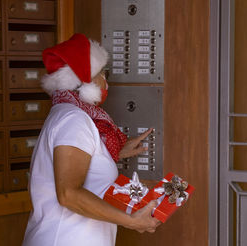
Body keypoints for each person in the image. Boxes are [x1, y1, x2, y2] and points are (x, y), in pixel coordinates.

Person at [22, 33, 160, 246]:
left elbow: (84, 166)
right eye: (102, 73)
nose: (106, 80)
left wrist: (116, 152)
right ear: (84, 81)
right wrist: (131, 221)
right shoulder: (74, 120)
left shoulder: (70, 114)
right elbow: (69, 194)